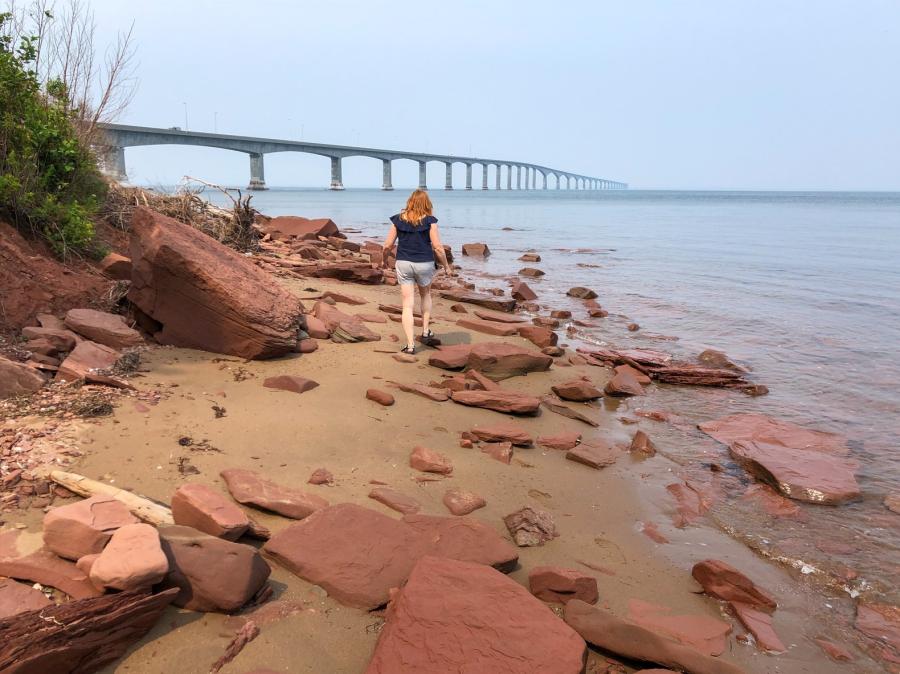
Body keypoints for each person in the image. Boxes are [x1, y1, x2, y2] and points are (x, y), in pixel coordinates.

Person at [382, 189, 452, 354]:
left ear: (410, 202)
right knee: (425, 295)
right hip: (424, 264)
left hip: (404, 263)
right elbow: (438, 248)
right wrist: (447, 266)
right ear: (426, 203)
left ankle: (410, 345)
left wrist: (384, 260)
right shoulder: (430, 221)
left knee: (407, 305)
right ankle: (426, 331)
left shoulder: (398, 220)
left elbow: (387, 246)